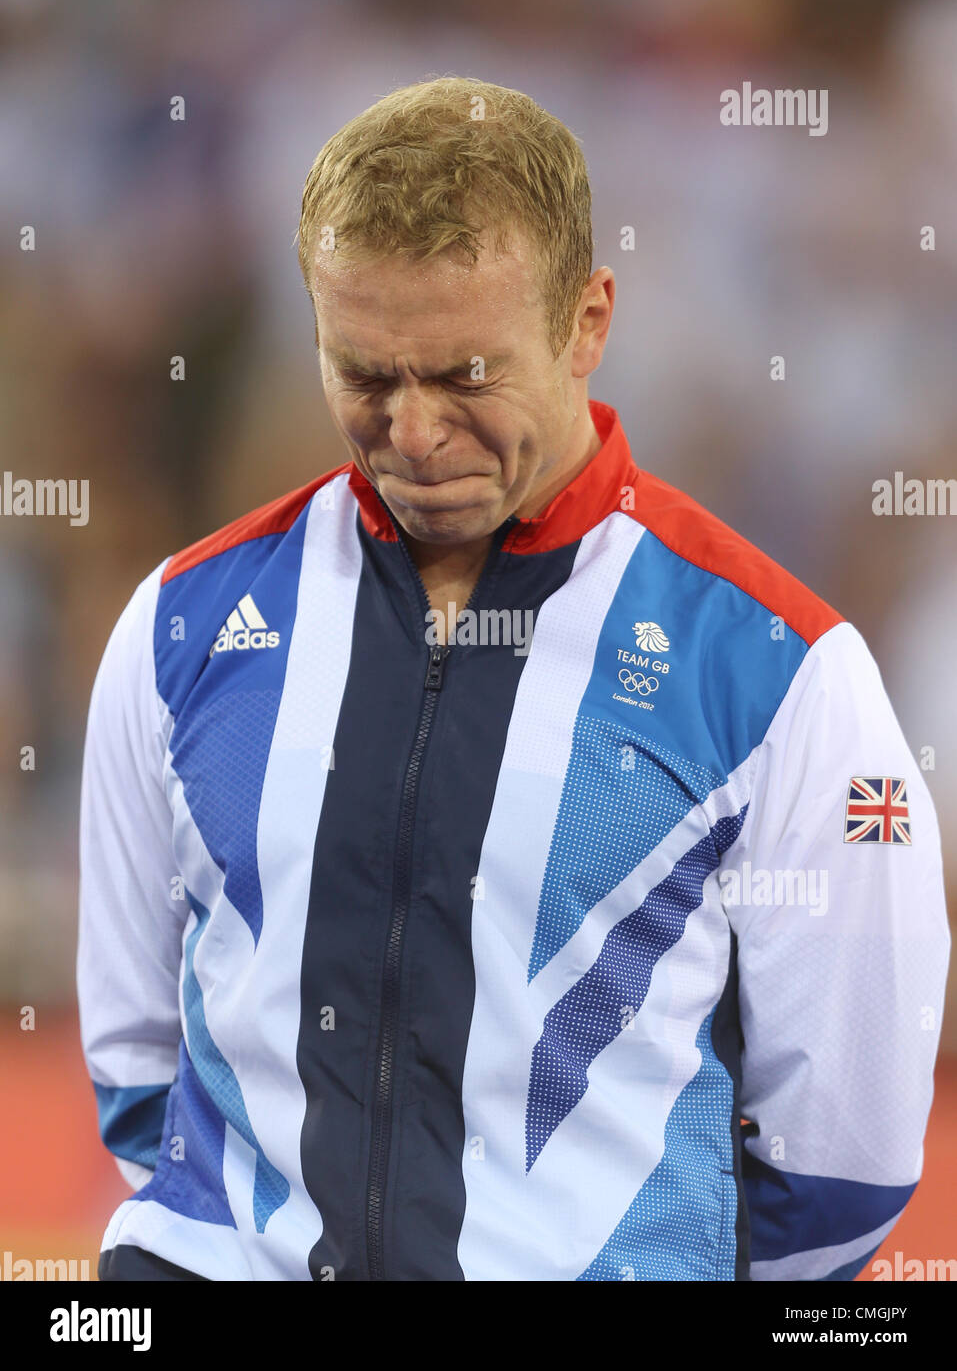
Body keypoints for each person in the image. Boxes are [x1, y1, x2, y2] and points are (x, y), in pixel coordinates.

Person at [77, 76, 949, 1282]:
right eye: (367, 376)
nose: (416, 434)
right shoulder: (180, 627)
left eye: (465, 375)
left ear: (589, 321)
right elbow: (135, 1072)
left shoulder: (785, 676)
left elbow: (843, 1166)